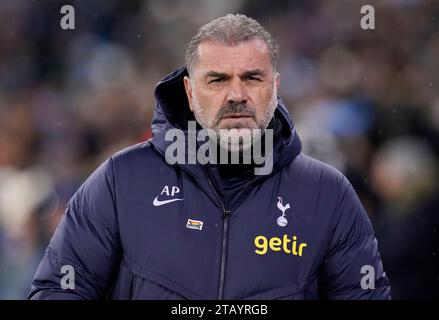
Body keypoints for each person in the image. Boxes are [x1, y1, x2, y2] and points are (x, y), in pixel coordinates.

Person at [29, 14, 390, 300]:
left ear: (275, 87)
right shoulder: (120, 182)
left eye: (252, 78)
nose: (236, 94)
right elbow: (59, 290)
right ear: (189, 91)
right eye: (217, 80)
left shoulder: (327, 194)